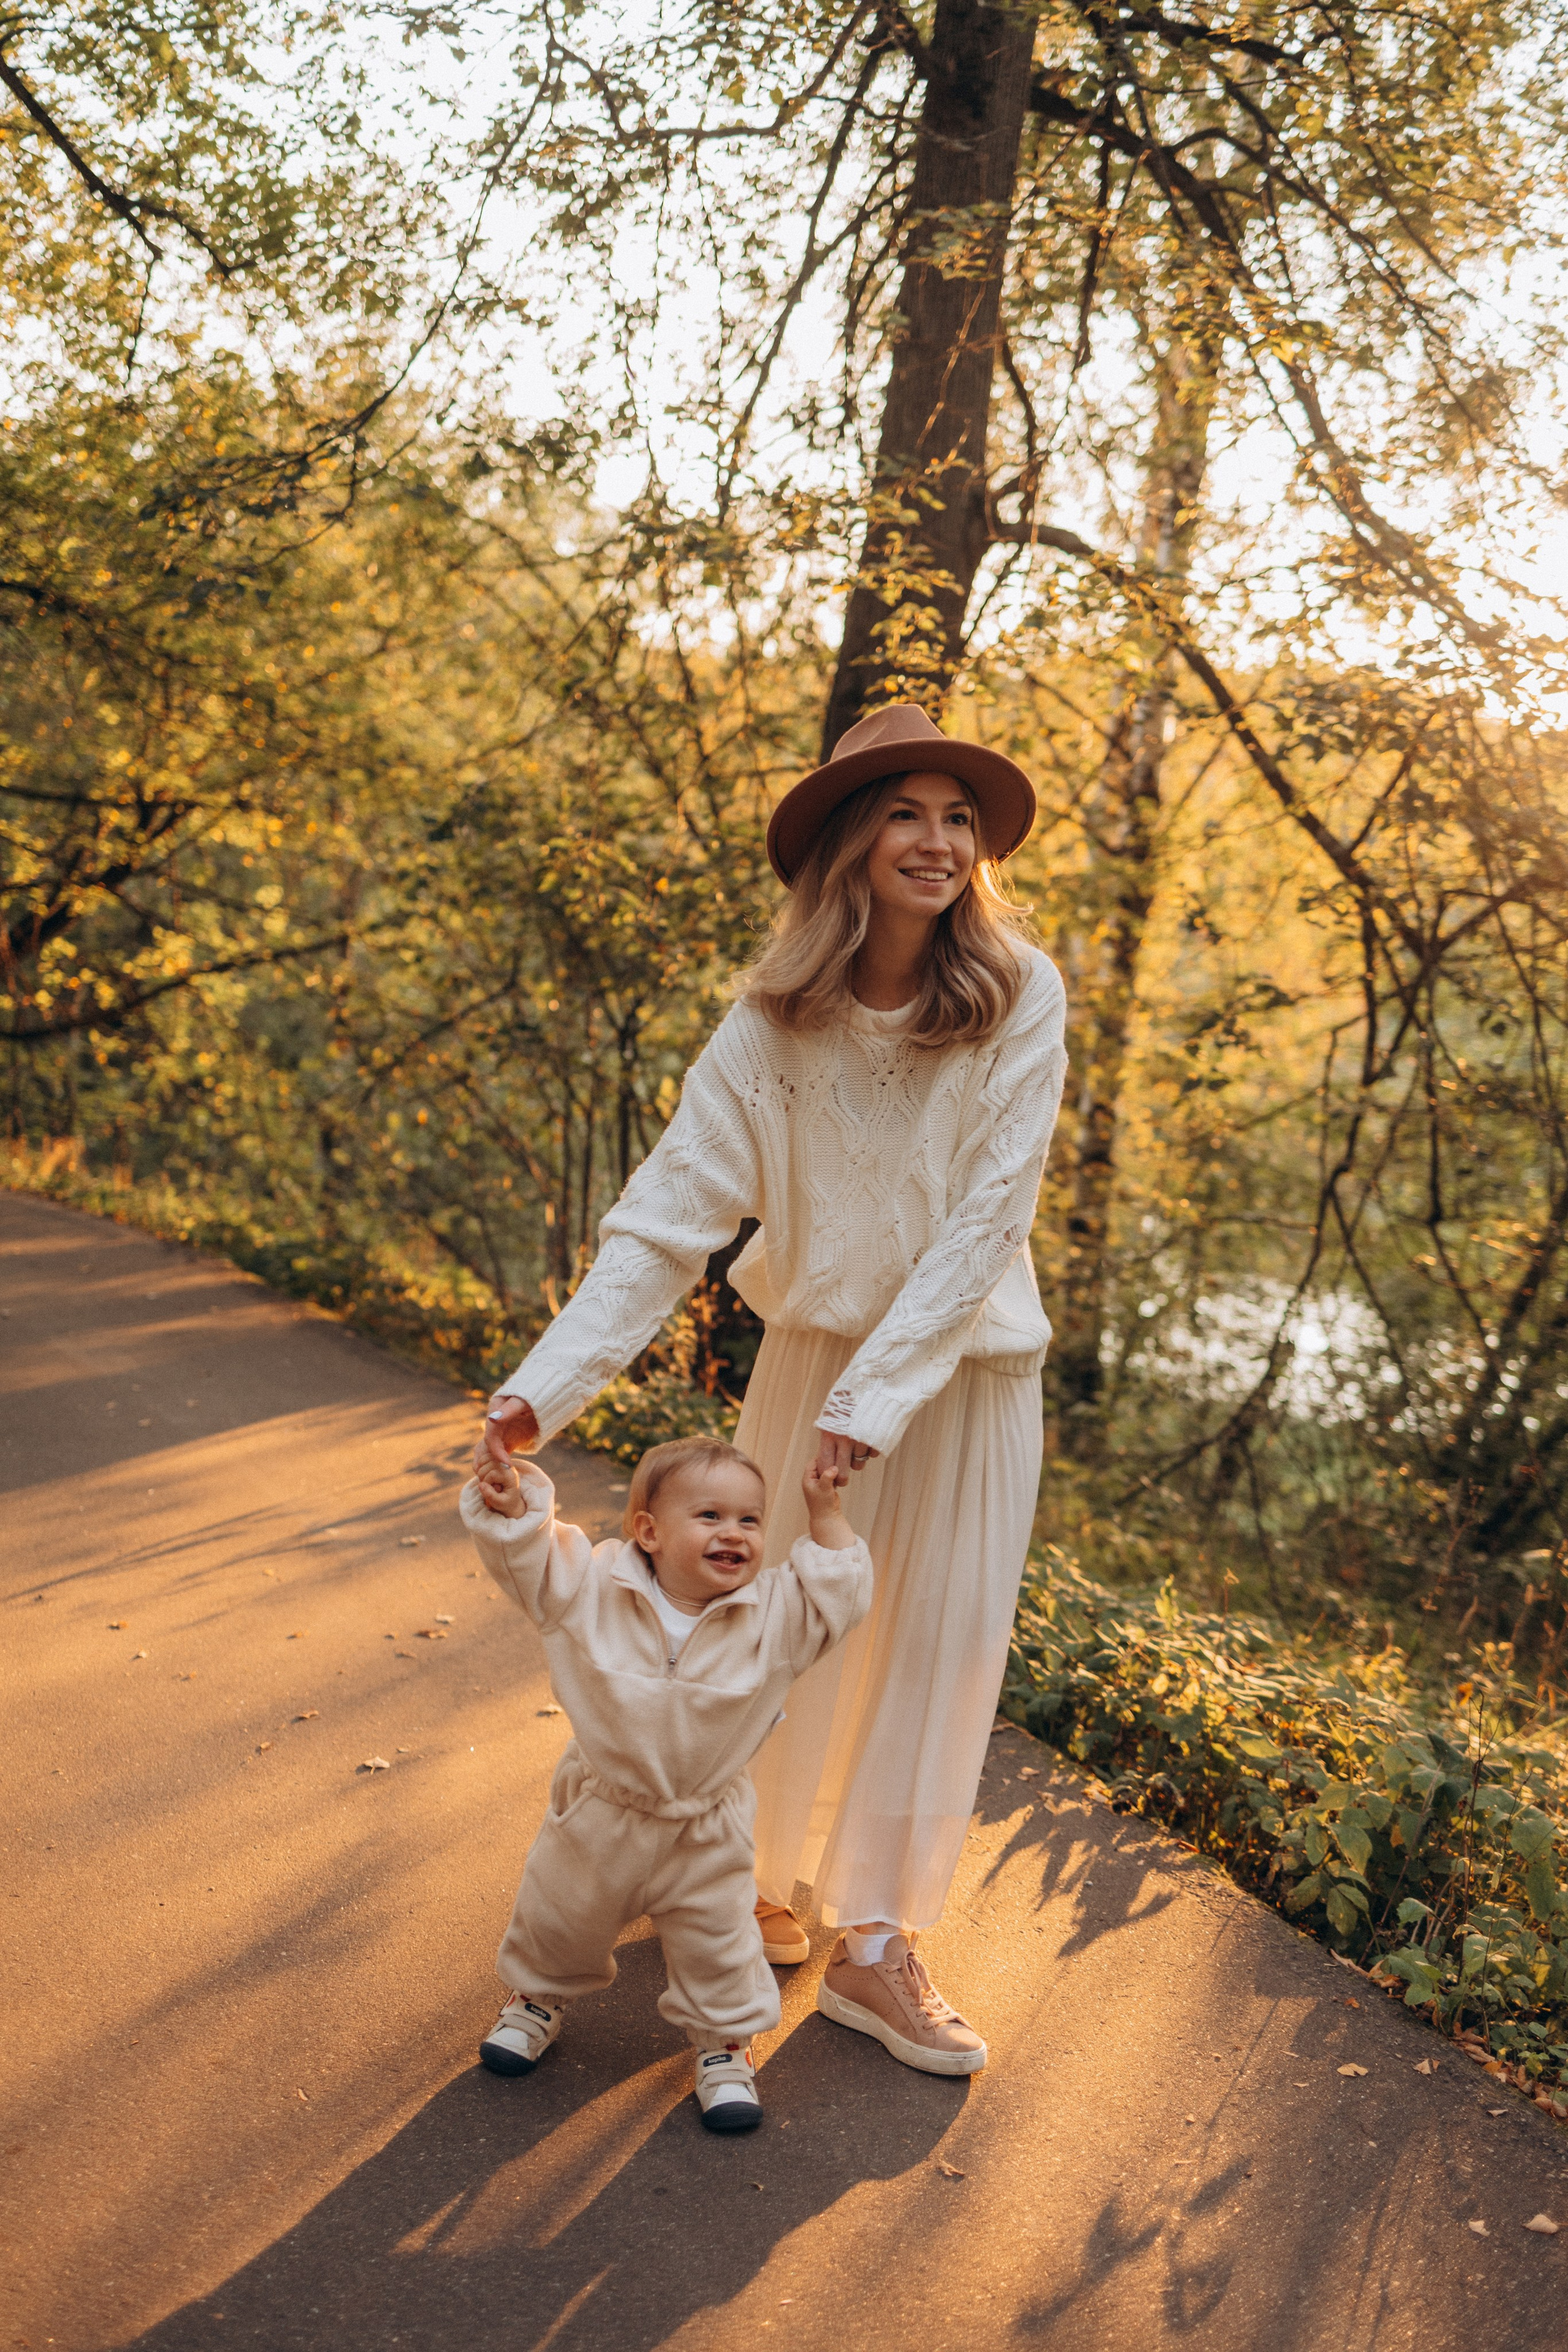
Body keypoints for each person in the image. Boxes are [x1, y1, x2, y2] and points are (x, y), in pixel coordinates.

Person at [477, 701, 1067, 2076]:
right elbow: (666, 1218)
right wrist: (535, 1399)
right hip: (812, 1370)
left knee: (930, 1642)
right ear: (854, 842)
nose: (936, 841)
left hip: (963, 1379)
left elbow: (988, 1223)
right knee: (774, 1638)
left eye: (957, 817)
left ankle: (870, 1942)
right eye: (907, 813)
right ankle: (754, 1878)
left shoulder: (1016, 992)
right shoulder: (767, 1028)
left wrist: (875, 1408)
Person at [462, 1433, 872, 2132]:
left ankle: (724, 2047)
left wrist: (824, 1512)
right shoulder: (591, 1590)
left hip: (704, 1825)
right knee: (560, 1917)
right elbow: (528, 1556)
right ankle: (534, 2000)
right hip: (601, 1810)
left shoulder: (773, 1618)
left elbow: (838, 1594)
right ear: (649, 1532)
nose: (734, 1533)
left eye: (749, 1520)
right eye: (709, 1516)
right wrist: (515, 1503)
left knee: (720, 1943)